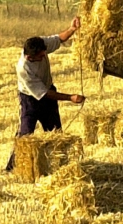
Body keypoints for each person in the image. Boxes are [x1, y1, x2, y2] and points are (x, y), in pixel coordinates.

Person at [6, 16, 83, 172]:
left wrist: (72, 29)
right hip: (30, 100)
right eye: (41, 56)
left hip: (48, 91)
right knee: (25, 136)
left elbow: (58, 39)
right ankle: (12, 168)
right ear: (30, 57)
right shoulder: (24, 69)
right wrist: (70, 98)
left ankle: (61, 167)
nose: (44, 57)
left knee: (56, 133)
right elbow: (45, 94)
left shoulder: (41, 44)